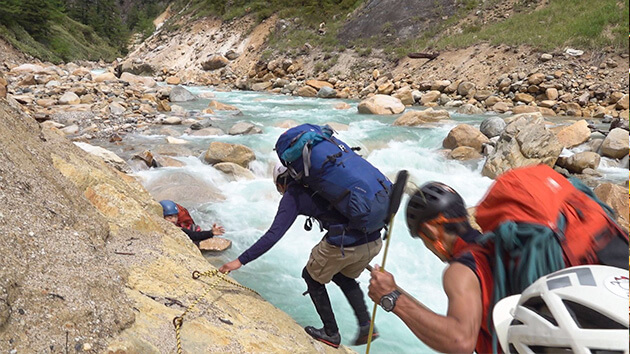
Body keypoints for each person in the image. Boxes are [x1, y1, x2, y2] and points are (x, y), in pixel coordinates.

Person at [367, 181, 629, 353]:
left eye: (422, 238)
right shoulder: (500, 244)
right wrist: (396, 289)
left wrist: (392, 299)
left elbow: (460, 341)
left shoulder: (461, 270)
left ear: (430, 229)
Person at [220, 162, 383, 348]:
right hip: (373, 237)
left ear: (282, 182)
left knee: (311, 277)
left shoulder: (293, 195)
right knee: (343, 276)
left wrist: (240, 261)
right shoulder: (320, 183)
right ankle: (366, 324)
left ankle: (331, 333)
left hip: (346, 243)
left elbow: (273, 235)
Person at [159, 200, 225, 242]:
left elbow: (194, 235)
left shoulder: (178, 229)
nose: (173, 220)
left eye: (175, 217)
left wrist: (211, 233)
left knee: (194, 228)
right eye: (170, 217)